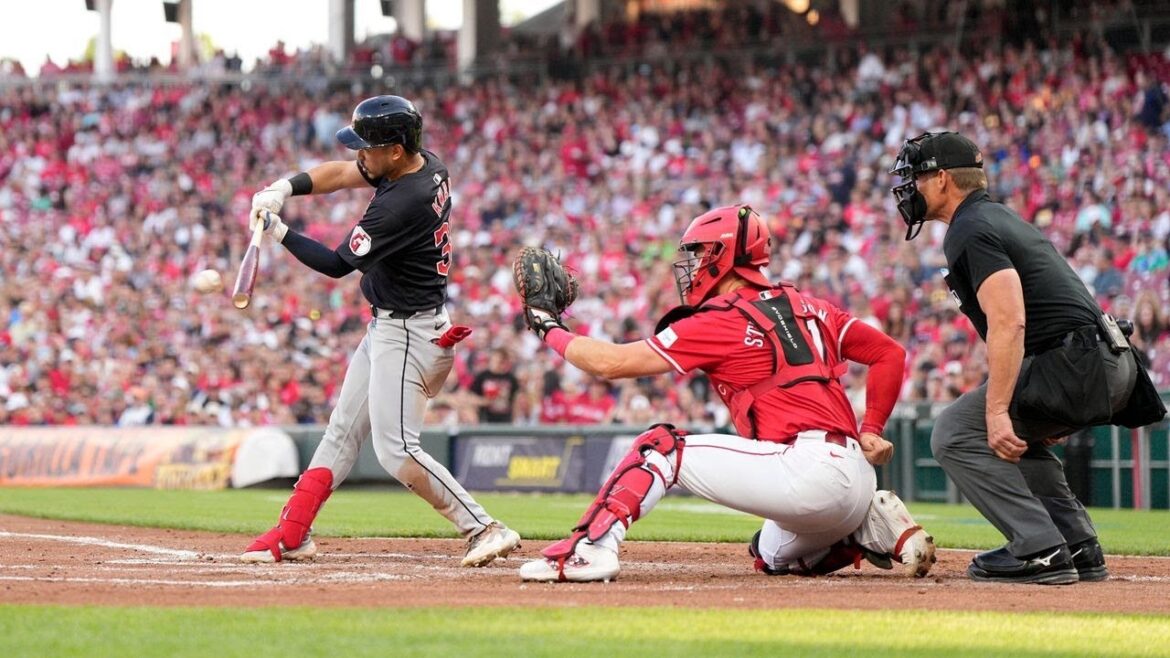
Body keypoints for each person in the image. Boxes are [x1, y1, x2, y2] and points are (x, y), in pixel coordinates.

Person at [515, 205, 936, 582]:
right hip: (854, 477)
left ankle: (591, 549)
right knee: (769, 554)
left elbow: (612, 364)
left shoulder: (722, 317)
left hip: (806, 471)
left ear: (722, 255)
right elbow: (889, 353)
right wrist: (872, 426)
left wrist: (547, 327)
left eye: (698, 254)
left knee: (661, 447)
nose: (691, 266)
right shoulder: (811, 306)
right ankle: (866, 528)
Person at [239, 95, 520, 567]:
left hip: (410, 336)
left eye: (367, 147)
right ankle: (293, 532)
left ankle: (484, 526)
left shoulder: (401, 204)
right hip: (397, 326)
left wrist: (280, 232)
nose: (359, 155)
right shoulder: (422, 163)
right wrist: (283, 187)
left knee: (396, 451)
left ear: (394, 149)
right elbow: (342, 174)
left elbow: (333, 265)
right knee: (341, 432)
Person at [889, 131, 1166, 584]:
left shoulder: (969, 228)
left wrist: (999, 409)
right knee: (1012, 438)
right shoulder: (995, 218)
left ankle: (1038, 550)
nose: (909, 190)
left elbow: (1010, 321)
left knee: (955, 432)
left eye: (915, 178)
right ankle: (1078, 545)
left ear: (941, 179)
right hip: (1107, 362)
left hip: (1077, 363)